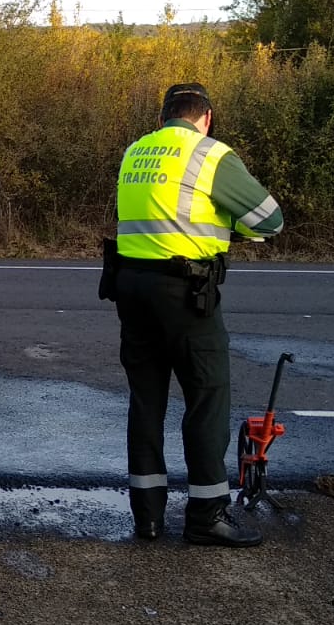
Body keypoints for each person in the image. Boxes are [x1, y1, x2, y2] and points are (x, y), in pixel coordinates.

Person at [106, 83, 283, 547]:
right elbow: (270, 219)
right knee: (207, 399)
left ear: (164, 117)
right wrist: (229, 226)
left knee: (147, 402)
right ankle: (206, 516)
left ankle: (146, 518)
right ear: (205, 117)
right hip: (186, 292)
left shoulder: (135, 152)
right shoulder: (211, 155)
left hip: (130, 287)